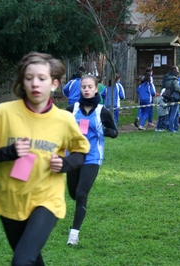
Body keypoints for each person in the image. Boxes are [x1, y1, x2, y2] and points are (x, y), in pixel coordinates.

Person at [0, 52, 90, 265]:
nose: (35, 83)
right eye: (29, 78)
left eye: (41, 78)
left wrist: (65, 163)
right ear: (22, 82)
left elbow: (81, 152)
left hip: (46, 200)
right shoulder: (3, 113)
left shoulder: (63, 119)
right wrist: (7, 152)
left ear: (54, 83)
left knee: (22, 261)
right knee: (31, 260)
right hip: (10, 200)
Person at [66, 75, 118, 245]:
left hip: (92, 158)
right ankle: (78, 205)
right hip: (72, 157)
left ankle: (73, 235)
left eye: (90, 87)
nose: (86, 90)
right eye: (83, 87)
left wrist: (107, 131)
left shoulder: (102, 111)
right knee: (73, 193)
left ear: (96, 89)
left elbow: (114, 131)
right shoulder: (71, 109)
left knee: (81, 194)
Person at [165, 68, 180, 133]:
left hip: (169, 97)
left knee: (174, 113)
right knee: (173, 114)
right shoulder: (175, 80)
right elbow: (177, 88)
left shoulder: (167, 80)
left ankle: (176, 127)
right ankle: (171, 128)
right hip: (175, 98)